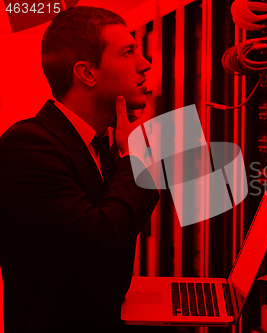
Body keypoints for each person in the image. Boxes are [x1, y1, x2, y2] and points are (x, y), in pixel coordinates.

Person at [0, 6, 160, 333]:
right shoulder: (26, 146)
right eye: (128, 52)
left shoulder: (101, 144)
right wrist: (134, 157)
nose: (145, 64)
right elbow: (99, 246)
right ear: (87, 73)